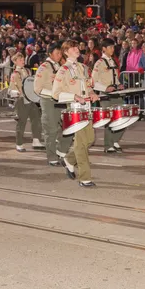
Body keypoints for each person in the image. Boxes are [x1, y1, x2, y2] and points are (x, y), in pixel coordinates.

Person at [52, 39, 100, 187]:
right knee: (80, 143)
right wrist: (74, 97)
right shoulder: (63, 70)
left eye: (76, 47)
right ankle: (85, 177)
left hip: (86, 107)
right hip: (74, 109)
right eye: (72, 48)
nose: (76, 49)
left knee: (90, 139)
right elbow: (56, 93)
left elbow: (87, 86)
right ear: (66, 52)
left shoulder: (82, 67)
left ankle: (69, 159)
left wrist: (92, 94)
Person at [33, 42, 73, 166]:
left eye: (60, 53)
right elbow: (37, 88)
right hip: (49, 101)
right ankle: (52, 157)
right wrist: (53, 94)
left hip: (61, 101)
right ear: (50, 54)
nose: (59, 55)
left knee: (69, 127)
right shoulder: (44, 67)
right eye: (57, 53)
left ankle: (60, 151)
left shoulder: (60, 67)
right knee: (51, 130)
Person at [92, 39, 126, 153]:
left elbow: (114, 77)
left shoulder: (112, 61)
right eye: (110, 47)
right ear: (104, 49)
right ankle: (108, 145)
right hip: (105, 95)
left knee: (123, 117)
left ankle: (115, 140)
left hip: (115, 93)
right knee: (109, 120)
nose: (112, 49)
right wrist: (105, 88)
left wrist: (119, 84)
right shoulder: (99, 63)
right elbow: (93, 81)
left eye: (113, 47)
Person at [8, 52, 43, 152]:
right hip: (22, 100)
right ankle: (19, 143)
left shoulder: (27, 71)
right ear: (15, 62)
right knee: (21, 122)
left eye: (23, 59)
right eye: (20, 60)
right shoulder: (15, 74)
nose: (23, 61)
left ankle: (36, 139)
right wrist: (16, 92)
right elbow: (10, 89)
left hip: (31, 99)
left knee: (36, 119)